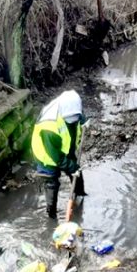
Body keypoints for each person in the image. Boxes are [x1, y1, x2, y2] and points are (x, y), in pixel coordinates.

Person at [31, 90, 88, 219]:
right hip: (47, 155)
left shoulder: (73, 106)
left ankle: (80, 196)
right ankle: (51, 214)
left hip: (66, 146)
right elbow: (57, 158)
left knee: (76, 172)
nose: (73, 121)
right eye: (70, 120)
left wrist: (84, 121)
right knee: (51, 182)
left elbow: (80, 115)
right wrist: (70, 166)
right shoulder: (48, 126)